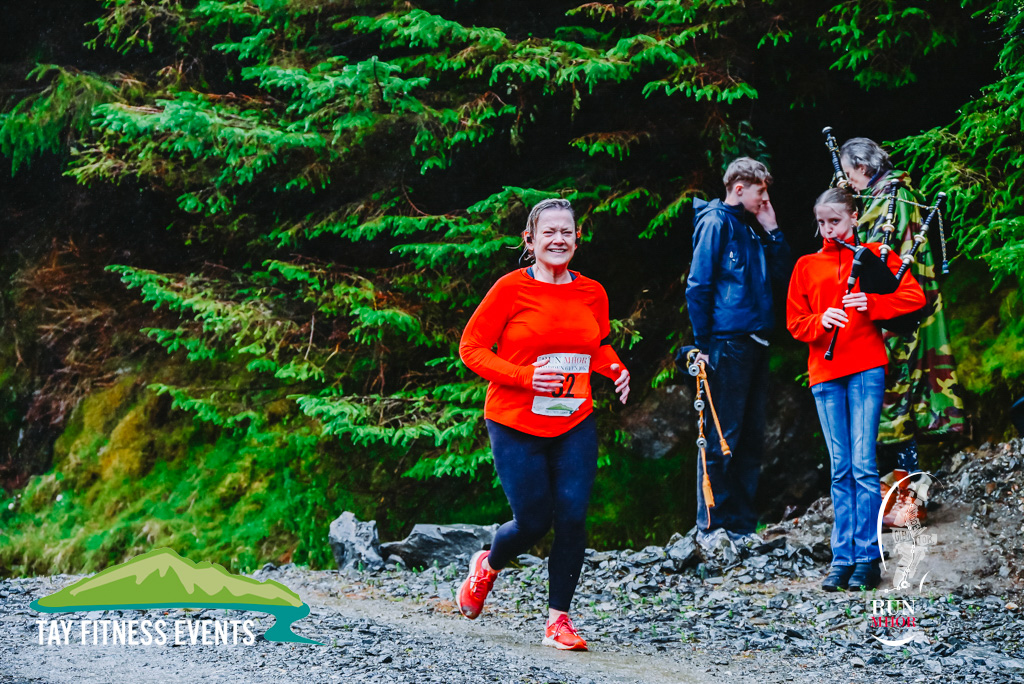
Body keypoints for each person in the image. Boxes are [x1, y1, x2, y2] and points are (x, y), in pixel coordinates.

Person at [457, 198, 630, 651]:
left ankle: (558, 621)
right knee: (533, 522)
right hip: (514, 421)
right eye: (549, 232)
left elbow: (596, 345)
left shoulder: (592, 292)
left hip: (574, 419)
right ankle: (488, 566)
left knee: (572, 516)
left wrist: (615, 369)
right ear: (530, 240)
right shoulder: (510, 289)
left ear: (577, 239)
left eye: (566, 232)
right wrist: (523, 376)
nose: (559, 239)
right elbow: (471, 348)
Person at [787, 187, 926, 591]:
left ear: (854, 216)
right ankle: (842, 557)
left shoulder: (875, 255)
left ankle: (867, 557)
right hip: (825, 373)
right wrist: (820, 321)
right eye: (821, 222)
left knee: (864, 465)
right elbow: (795, 322)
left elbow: (914, 297)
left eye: (835, 221)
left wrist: (873, 304)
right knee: (840, 467)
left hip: (866, 369)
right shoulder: (806, 265)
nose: (827, 229)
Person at [840, 138, 966, 526]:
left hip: (897, 314)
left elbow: (878, 257)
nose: (848, 182)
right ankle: (901, 495)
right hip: (913, 308)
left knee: (895, 400)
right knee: (901, 400)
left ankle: (910, 504)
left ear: (863, 167)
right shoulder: (902, 192)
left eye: (849, 173)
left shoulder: (887, 199)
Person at [685, 157, 791, 542]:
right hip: (728, 342)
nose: (765, 199)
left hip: (756, 339)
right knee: (722, 434)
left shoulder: (750, 226)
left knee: (750, 436)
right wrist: (703, 344)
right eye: (761, 192)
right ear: (740, 188)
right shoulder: (715, 222)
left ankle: (742, 525)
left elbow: (783, 276)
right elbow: (698, 285)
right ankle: (712, 525)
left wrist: (772, 229)